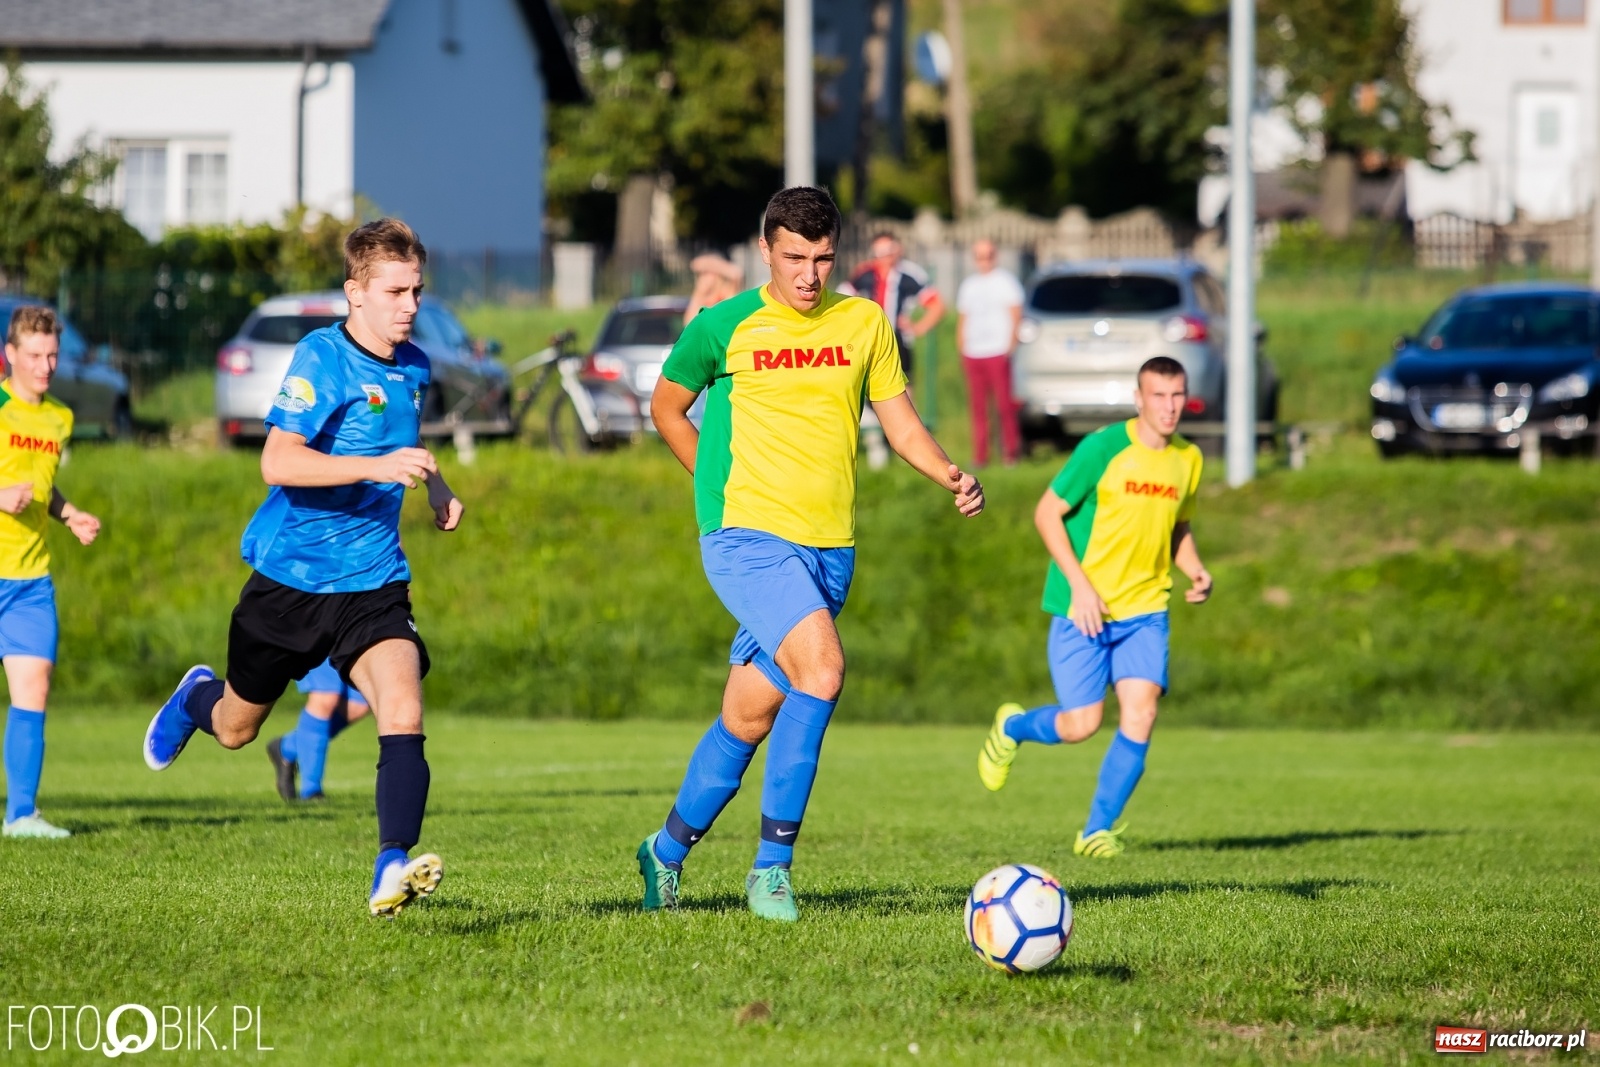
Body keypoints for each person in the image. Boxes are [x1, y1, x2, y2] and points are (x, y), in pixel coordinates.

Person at [637, 186, 985, 922]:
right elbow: (666, 406)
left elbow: (902, 426)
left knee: (750, 712)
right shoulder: (723, 325)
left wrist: (950, 472)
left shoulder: (864, 323)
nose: (809, 274)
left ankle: (663, 853)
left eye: (823, 258)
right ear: (765, 251)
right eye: (795, 257)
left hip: (829, 549)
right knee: (823, 670)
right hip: (744, 535)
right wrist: (712, 483)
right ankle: (772, 870)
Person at [142, 218, 464, 918]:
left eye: (416, 290)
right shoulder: (321, 357)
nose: (410, 305)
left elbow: (401, 445)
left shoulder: (416, 366)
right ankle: (196, 696)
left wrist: (434, 484)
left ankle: (391, 866)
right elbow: (277, 460)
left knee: (403, 707)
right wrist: (379, 465)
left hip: (374, 581)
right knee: (235, 727)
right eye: (395, 291)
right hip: (291, 581)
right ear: (356, 291)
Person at [977, 356, 1212, 858]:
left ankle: (1095, 832)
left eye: (1177, 396)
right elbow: (1047, 513)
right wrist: (1080, 586)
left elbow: (1178, 527)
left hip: (1146, 609)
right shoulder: (1103, 449)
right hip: (1083, 607)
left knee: (1141, 714)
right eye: (1159, 397)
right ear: (1139, 399)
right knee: (1081, 725)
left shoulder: (1188, 459)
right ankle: (1013, 727)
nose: (1169, 408)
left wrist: (1194, 568)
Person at [0, 307, 101, 839]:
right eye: (34, 356)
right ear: (9, 354)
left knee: (33, 688)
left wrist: (68, 515)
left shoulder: (59, 418)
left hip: (29, 581)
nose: (45, 366)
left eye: (52, 356)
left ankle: (20, 816)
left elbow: (43, 488)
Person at [955, 239, 1025, 467]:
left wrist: (1011, 344)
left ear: (995, 256)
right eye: (979, 256)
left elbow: (1016, 314)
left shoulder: (1006, 282)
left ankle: (1010, 452)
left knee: (1004, 405)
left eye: (988, 255)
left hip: (997, 349)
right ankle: (981, 454)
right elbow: (963, 318)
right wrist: (962, 346)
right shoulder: (969, 285)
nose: (984, 261)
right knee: (978, 407)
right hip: (974, 352)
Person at [265, 658, 371, 802]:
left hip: (349, 637)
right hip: (314, 637)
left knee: (358, 704)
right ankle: (311, 791)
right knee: (325, 698)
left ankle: (287, 746)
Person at [684, 253, 745, 323]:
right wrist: (699, 292)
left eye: (706, 273)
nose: (702, 278)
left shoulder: (724, 295)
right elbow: (688, 323)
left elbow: (736, 274)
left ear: (717, 275)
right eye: (701, 274)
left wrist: (712, 264)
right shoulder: (701, 298)